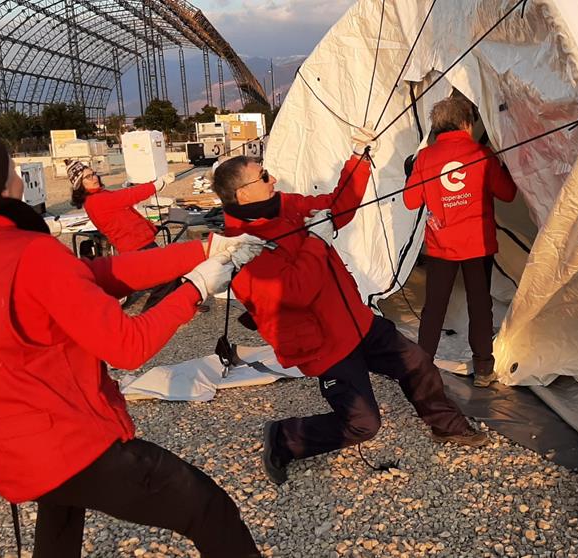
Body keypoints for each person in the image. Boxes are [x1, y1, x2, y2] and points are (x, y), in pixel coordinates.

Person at [0, 131, 264, 557]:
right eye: (11, 168)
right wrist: (195, 288)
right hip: (64, 442)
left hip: (7, 446)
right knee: (207, 508)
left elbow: (101, 274)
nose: (19, 177)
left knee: (61, 513)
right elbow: (128, 346)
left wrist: (204, 249)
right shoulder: (30, 253)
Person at [211, 131, 488, 486]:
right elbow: (293, 292)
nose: (273, 178)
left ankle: (448, 426)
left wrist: (358, 158)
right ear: (242, 193)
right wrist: (315, 240)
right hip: (324, 346)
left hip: (355, 321)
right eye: (264, 176)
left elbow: (336, 208)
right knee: (362, 425)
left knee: (417, 363)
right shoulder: (238, 248)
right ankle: (285, 438)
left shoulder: (283, 205)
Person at [403, 96, 518, 387]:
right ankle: (483, 369)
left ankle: (422, 369)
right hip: (478, 245)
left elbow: (410, 201)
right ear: (467, 123)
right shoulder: (482, 154)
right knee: (480, 305)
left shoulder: (426, 158)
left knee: (434, 307)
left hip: (441, 246)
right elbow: (507, 194)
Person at [68, 159, 177, 309]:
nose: (94, 177)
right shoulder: (96, 200)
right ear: (80, 185)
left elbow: (124, 196)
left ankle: (186, 301)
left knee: (171, 270)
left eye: (93, 174)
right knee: (166, 275)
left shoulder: (99, 195)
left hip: (140, 242)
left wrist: (154, 183)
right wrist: (157, 185)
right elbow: (128, 196)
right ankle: (150, 313)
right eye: (88, 177)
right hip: (136, 245)